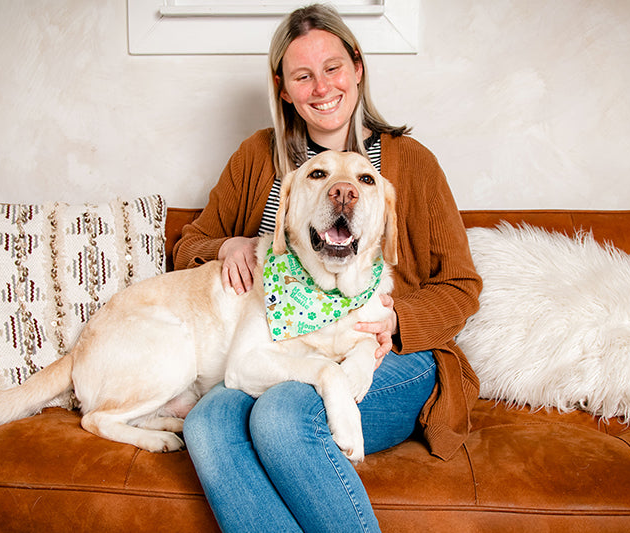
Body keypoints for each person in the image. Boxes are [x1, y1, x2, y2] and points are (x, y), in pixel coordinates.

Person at [173, 4, 482, 532]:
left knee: (281, 417)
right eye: (303, 75)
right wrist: (227, 247)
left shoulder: (412, 164)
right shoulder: (258, 156)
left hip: (389, 353)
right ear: (284, 89)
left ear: (358, 68)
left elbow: (462, 285)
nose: (322, 87)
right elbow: (191, 245)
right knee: (206, 422)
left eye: (333, 68)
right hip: (289, 344)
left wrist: (395, 319)